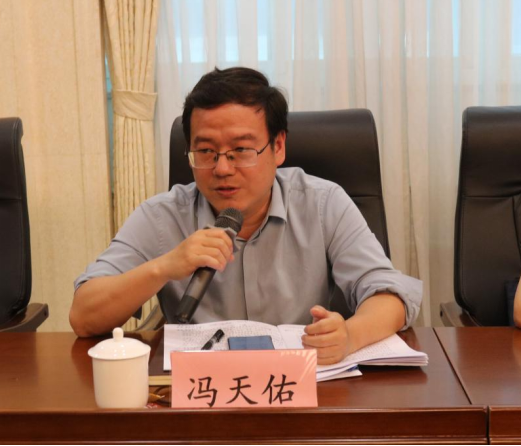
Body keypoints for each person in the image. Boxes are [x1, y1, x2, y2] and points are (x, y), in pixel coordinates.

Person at [70, 67, 422, 365]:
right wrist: (164, 267)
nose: (222, 169)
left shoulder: (323, 203)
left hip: (300, 388)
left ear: (278, 146)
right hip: (202, 395)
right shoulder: (162, 216)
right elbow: (84, 317)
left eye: (240, 150)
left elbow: (391, 295)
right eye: (206, 151)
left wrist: (348, 336)